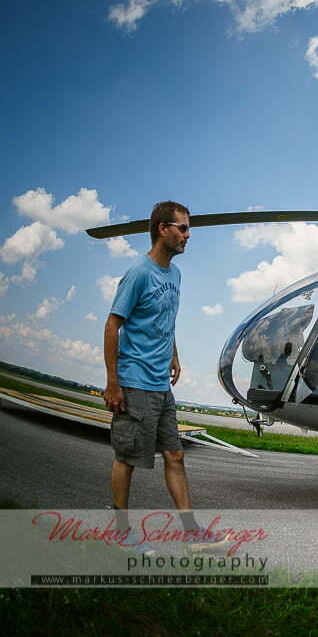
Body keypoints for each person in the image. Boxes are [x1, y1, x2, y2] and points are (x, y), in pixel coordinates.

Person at [104, 201, 221, 551]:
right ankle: (120, 531)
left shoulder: (175, 274)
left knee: (175, 455)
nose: (188, 236)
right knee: (128, 457)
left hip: (160, 383)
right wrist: (113, 382)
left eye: (188, 229)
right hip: (134, 380)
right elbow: (113, 324)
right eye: (182, 228)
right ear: (162, 229)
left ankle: (191, 533)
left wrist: (174, 354)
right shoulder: (140, 272)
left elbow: (165, 320)